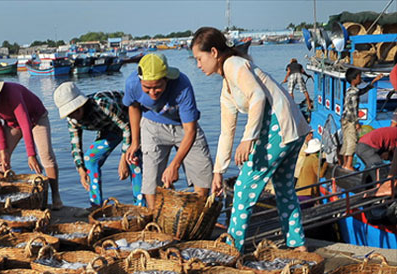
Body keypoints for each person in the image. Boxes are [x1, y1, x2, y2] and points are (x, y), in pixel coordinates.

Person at [191, 27, 311, 252]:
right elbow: (226, 132)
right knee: (284, 188)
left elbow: (257, 96)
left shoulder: (233, 64)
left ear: (214, 52)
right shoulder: (226, 87)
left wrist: (249, 138)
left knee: (243, 189)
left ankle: (232, 249)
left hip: (278, 127)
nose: (198, 64)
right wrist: (218, 172)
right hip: (292, 127)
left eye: (199, 58)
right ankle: (298, 245)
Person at [122, 53, 213, 209]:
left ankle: (198, 217)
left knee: (203, 176)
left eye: (157, 86)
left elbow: (190, 130)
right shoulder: (132, 84)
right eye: (147, 87)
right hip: (153, 126)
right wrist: (135, 142)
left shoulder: (182, 85)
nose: (152, 92)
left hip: (184, 127)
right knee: (151, 181)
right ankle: (157, 219)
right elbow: (133, 107)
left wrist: (174, 165)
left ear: (166, 79)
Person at [0, 70, 62, 209]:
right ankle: (6, 195)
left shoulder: (11, 92)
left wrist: (31, 155)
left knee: (46, 155)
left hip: (37, 118)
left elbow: (25, 123)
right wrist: (4, 151)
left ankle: (56, 197)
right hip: (13, 124)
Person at [53, 81, 143, 207]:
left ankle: (141, 206)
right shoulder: (72, 120)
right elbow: (75, 144)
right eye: (70, 113)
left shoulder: (102, 104)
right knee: (90, 159)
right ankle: (95, 205)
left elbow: (127, 128)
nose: (74, 115)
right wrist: (80, 169)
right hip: (110, 129)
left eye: (76, 111)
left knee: (133, 160)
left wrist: (123, 160)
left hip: (132, 126)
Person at [340, 68, 383, 171]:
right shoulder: (354, 93)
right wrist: (356, 123)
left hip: (344, 120)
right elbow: (353, 109)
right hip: (350, 121)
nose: (360, 78)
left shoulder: (350, 90)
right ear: (354, 79)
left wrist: (373, 82)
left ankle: (344, 164)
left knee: (346, 141)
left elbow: (362, 91)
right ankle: (349, 165)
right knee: (352, 142)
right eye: (359, 76)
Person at [296, 137, 327, 202]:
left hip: (301, 191)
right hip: (308, 193)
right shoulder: (315, 160)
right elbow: (320, 174)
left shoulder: (307, 158)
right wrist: (325, 164)